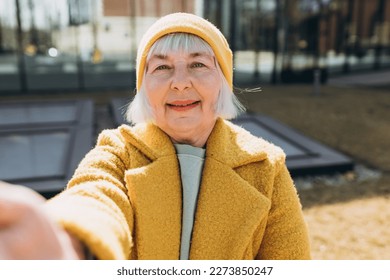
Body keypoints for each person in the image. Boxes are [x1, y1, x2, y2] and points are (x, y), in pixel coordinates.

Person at [0, 12, 311, 260]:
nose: (179, 82)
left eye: (198, 64)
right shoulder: (118, 151)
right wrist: (70, 241)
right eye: (162, 67)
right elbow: (94, 196)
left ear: (222, 80)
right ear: (144, 87)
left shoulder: (266, 165)